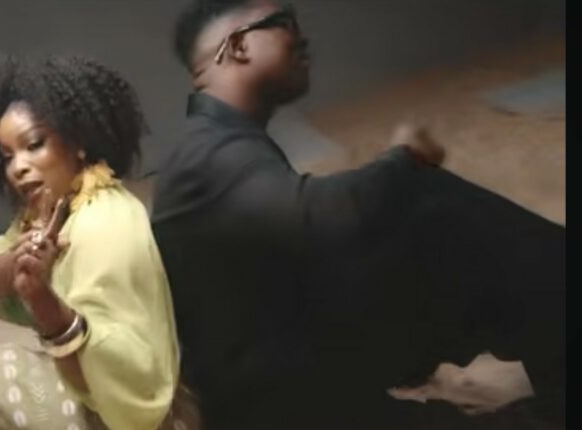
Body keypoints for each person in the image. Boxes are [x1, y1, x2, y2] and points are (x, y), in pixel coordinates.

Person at [151, 1, 565, 429]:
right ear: (238, 47)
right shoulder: (206, 152)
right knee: (424, 202)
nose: (302, 38)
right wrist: (405, 156)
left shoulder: (216, 142)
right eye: (285, 23)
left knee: (424, 219)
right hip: (277, 396)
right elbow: (328, 215)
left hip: (288, 351)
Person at [0, 56, 199, 430]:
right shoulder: (59, 208)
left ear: (78, 143)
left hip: (133, 415)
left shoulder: (102, 225)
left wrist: (45, 304)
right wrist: (17, 260)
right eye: (7, 157)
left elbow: (135, 393)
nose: (18, 167)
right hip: (104, 397)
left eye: (34, 144)